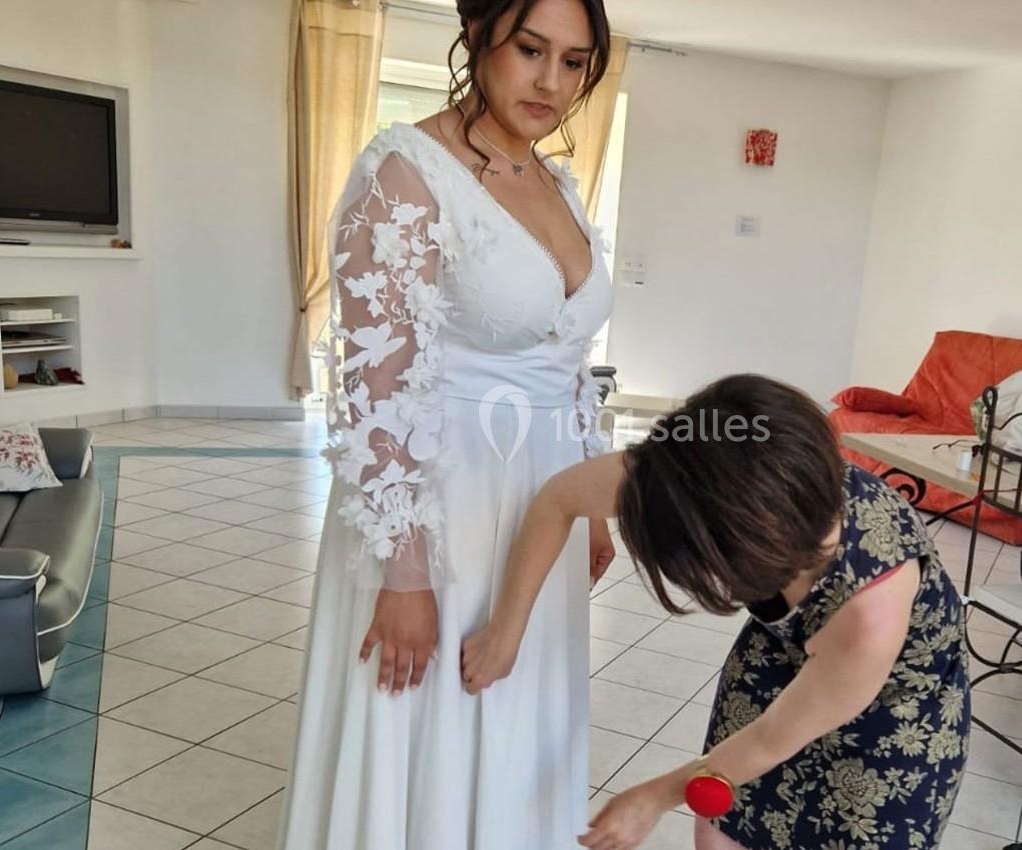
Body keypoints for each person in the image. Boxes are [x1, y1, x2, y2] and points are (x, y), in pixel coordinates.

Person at [278, 1, 615, 848]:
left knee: (521, 705)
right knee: (426, 715)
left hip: (548, 498)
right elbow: (372, 389)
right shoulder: (406, 169)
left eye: (575, 62)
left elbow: (574, 366)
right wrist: (402, 576)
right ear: (477, 39)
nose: (551, 81)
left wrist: (595, 496)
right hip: (445, 501)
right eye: (530, 49)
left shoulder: (557, 182)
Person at [462, 374, 971, 850]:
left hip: (894, 719)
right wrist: (506, 631)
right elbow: (558, 499)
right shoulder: (699, 469)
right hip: (780, 654)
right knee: (728, 819)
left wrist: (654, 797)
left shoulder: (869, 615)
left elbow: (773, 739)